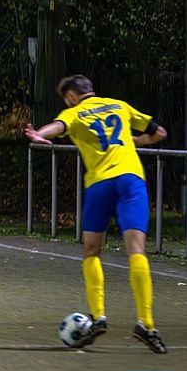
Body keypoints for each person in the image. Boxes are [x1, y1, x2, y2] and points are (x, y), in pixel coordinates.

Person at [24, 74, 168, 353]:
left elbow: (58, 126)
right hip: (130, 180)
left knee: (92, 251)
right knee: (136, 251)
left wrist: (39, 134)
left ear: (71, 97)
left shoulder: (75, 112)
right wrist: (135, 141)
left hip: (100, 183)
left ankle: (99, 316)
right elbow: (159, 133)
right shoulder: (120, 106)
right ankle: (147, 324)